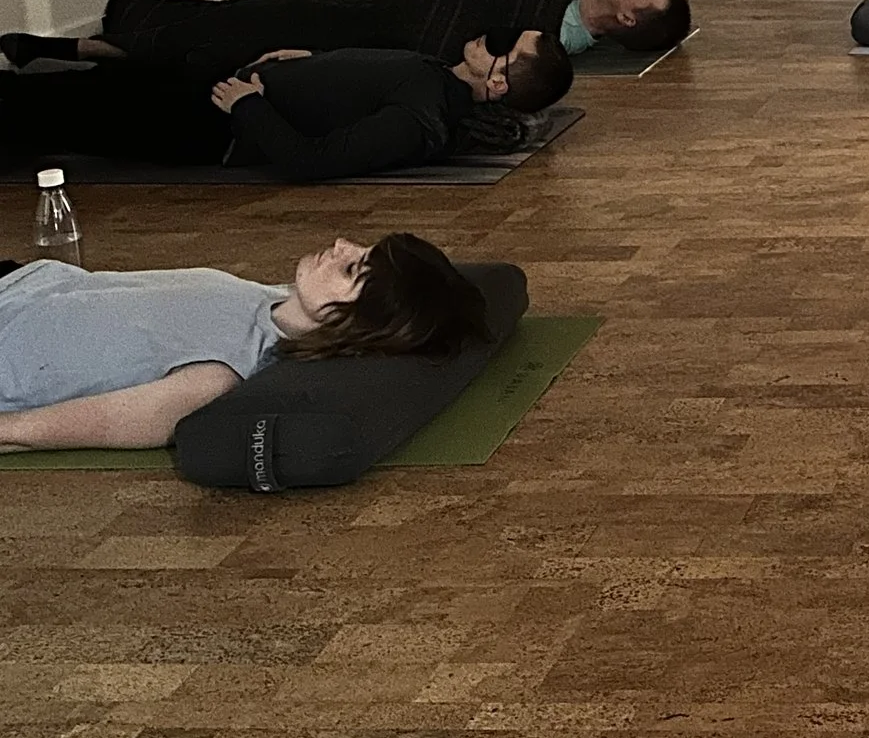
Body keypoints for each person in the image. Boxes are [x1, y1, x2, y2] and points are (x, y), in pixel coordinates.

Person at [0, 233, 489, 451]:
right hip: (22, 279)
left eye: (349, 268)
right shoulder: (270, 300)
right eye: (360, 251)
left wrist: (11, 430)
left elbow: (112, 421)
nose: (340, 244)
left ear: (352, 321)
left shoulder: (224, 369)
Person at [0, 38, 571, 182]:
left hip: (207, 125)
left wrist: (249, 106)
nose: (487, 37)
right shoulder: (435, 77)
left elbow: (311, 160)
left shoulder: (420, 120)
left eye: (503, 46)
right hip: (223, 90)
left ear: (495, 84)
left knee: (53, 111)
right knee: (72, 91)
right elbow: (362, 81)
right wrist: (313, 62)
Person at [4, 0, 688, 73]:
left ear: (628, 19)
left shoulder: (549, 36)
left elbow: (468, 44)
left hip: (380, 26)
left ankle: (75, 49)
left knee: (233, 38)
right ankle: (113, 34)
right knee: (260, 9)